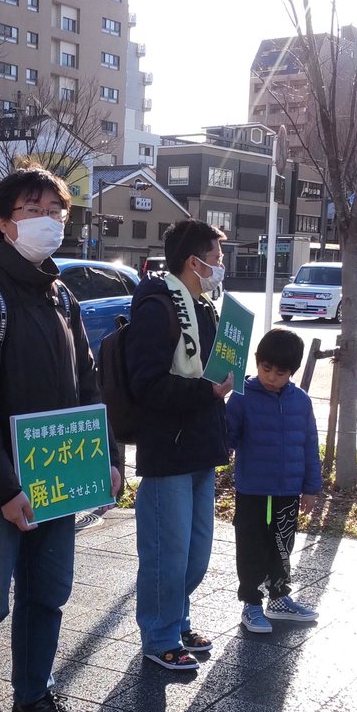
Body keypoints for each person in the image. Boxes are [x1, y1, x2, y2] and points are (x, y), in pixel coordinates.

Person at [0, 164, 123, 712]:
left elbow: (88, 386)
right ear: (3, 221)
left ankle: (33, 701)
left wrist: (107, 460)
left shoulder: (61, 293)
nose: (49, 220)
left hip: (59, 478)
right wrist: (3, 487)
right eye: (32, 208)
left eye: (57, 209)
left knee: (47, 597)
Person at [127, 219, 232, 671]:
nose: (221, 266)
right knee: (167, 553)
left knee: (195, 551)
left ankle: (178, 619)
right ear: (195, 262)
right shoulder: (158, 307)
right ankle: (160, 635)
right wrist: (208, 392)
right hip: (168, 449)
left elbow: (211, 373)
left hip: (202, 445)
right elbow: (145, 385)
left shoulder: (203, 306)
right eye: (218, 258)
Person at [225, 328, 322, 632]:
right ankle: (251, 603)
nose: (271, 377)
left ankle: (279, 596)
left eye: (280, 373)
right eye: (266, 369)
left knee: (282, 545)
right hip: (252, 489)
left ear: (291, 372)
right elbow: (227, 435)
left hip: (288, 491)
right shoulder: (241, 396)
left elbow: (309, 445)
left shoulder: (301, 402)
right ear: (257, 362)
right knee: (250, 545)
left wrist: (311, 489)